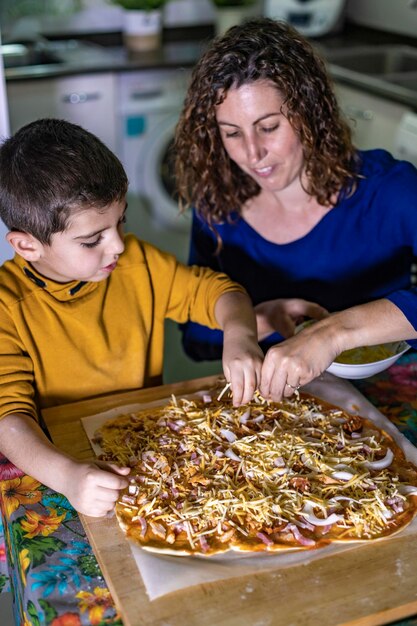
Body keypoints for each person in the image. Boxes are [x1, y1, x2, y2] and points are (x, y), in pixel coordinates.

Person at [0, 118, 264, 517]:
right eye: (92, 239)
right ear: (27, 245)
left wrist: (241, 334)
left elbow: (220, 293)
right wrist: (70, 477)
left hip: (147, 445)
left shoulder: (138, 262)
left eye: (121, 221)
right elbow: (9, 418)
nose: (118, 245)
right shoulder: (6, 306)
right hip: (58, 465)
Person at [174, 17, 417, 400]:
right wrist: (257, 321)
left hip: (391, 396)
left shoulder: (389, 189)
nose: (252, 154)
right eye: (232, 134)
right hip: (283, 405)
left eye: (268, 127)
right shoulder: (217, 204)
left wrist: (332, 333)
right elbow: (195, 336)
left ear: (308, 113)